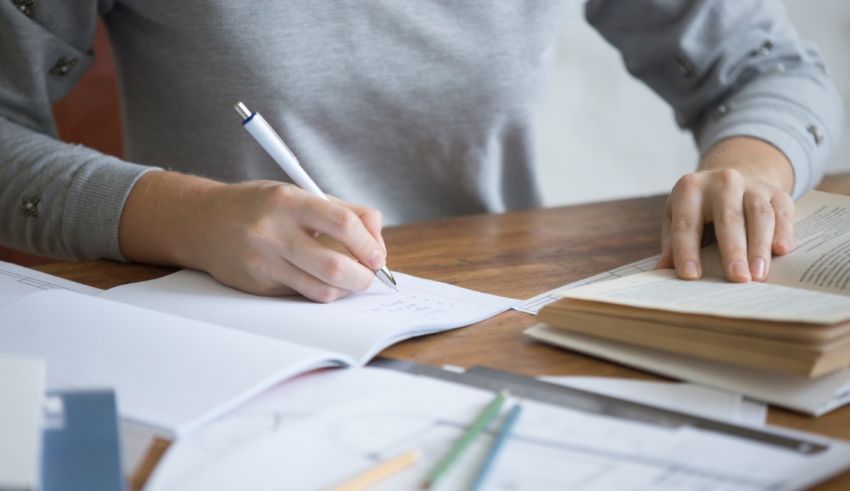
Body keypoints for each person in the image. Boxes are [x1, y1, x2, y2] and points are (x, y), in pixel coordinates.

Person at [0, 1, 842, 302]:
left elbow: (767, 67)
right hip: (225, 337)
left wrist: (753, 165)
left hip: (490, 318)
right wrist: (191, 219)